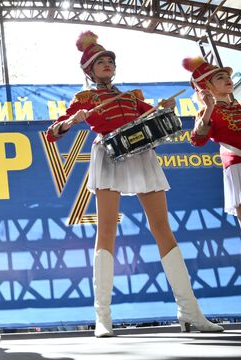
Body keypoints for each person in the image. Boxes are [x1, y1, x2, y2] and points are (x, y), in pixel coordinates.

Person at [46, 31, 223, 337]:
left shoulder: (132, 97)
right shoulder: (84, 99)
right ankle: (103, 317)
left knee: (162, 228)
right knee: (106, 232)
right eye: (100, 62)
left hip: (141, 156)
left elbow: (152, 121)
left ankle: (190, 311)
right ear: (89, 70)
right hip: (109, 156)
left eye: (110, 61)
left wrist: (162, 109)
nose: (107, 65)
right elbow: (53, 132)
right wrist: (71, 121)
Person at [183, 57, 241, 224]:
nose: (227, 79)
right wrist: (209, 108)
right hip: (237, 165)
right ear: (208, 86)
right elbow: (198, 140)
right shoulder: (207, 112)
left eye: (227, 76)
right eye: (220, 77)